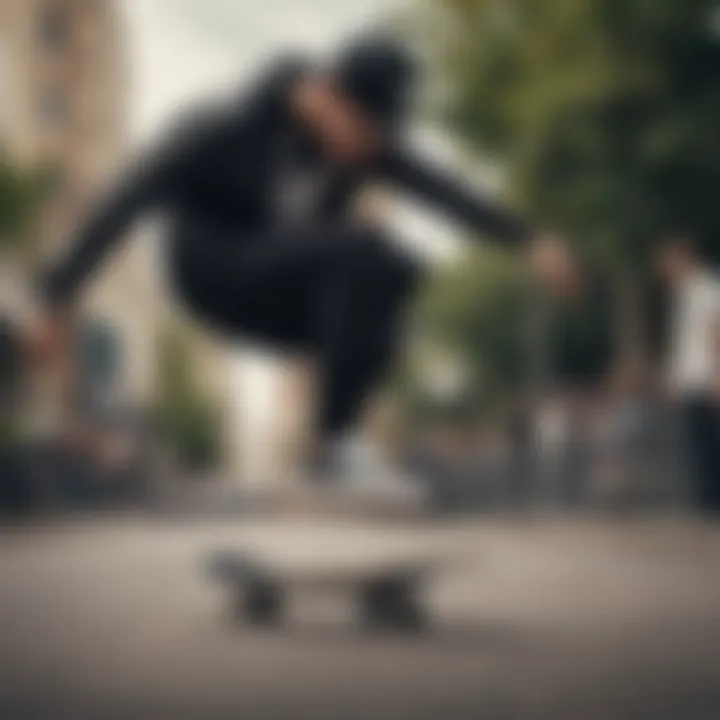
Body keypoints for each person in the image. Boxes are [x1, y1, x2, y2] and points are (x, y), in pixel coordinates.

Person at [26, 35, 578, 502]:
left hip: (281, 296)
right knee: (364, 250)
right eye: (359, 132)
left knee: (395, 278)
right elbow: (130, 194)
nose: (363, 153)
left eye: (376, 142)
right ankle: (335, 451)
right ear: (324, 97)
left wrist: (531, 242)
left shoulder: (365, 145)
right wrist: (56, 295)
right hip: (210, 269)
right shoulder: (222, 126)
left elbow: (444, 192)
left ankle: (332, 449)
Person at [657, 235, 720, 515]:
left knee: (709, 440)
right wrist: (675, 381)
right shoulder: (683, 293)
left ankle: (711, 501)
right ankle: (704, 500)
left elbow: (714, 331)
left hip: (705, 377)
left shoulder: (706, 287)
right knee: (696, 441)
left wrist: (716, 375)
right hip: (690, 379)